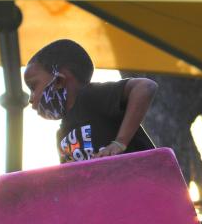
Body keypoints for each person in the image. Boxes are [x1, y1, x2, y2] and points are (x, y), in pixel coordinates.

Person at [23, 39, 158, 163]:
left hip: (144, 182)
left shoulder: (91, 97)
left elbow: (145, 87)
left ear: (59, 80)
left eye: (33, 86)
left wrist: (120, 142)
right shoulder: (62, 134)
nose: (31, 98)